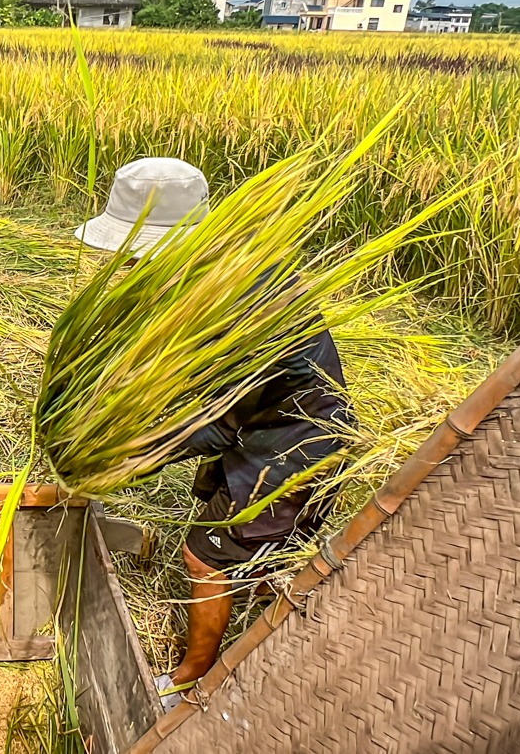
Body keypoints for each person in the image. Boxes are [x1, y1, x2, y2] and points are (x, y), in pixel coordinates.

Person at [74, 157, 351, 707]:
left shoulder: (247, 310)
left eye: (136, 252)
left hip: (292, 450)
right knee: (272, 555)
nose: (127, 264)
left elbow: (218, 427)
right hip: (268, 431)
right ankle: (282, 644)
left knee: (207, 556)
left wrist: (130, 456)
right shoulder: (222, 274)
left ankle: (192, 681)